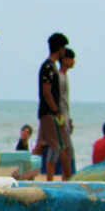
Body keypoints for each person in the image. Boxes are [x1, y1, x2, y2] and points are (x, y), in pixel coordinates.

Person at [36, 32, 71, 180]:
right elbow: (47, 92)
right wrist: (56, 111)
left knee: (49, 145)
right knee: (59, 146)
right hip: (50, 113)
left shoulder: (52, 67)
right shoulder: (49, 67)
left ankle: (52, 177)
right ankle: (64, 178)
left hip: (50, 112)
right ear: (60, 48)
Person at [57, 47, 76, 177]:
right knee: (66, 150)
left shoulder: (64, 76)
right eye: (71, 59)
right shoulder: (60, 77)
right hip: (60, 118)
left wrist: (68, 119)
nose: (73, 61)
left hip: (65, 116)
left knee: (66, 150)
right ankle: (67, 176)